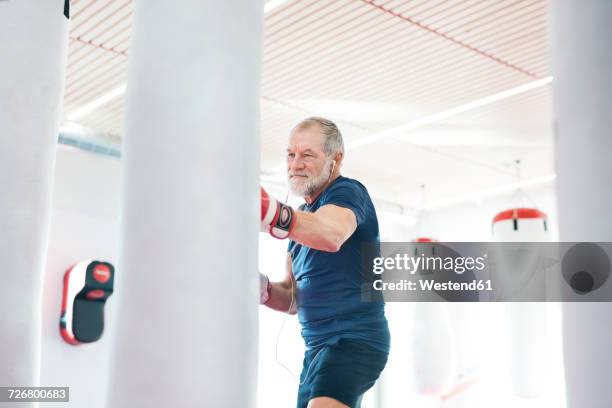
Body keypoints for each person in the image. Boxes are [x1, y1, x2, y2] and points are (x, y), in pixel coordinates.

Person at [260, 117, 390, 408]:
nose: (295, 164)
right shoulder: (300, 224)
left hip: (354, 340)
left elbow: (331, 234)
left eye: (307, 154)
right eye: (291, 154)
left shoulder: (347, 192)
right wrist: (261, 288)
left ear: (336, 159)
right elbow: (293, 299)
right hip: (317, 351)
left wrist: (273, 214)